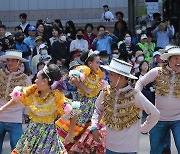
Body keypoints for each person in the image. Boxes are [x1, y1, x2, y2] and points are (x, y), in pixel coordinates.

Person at [0, 63, 79, 154]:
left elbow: (74, 112)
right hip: (30, 136)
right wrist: (2, 109)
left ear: (44, 81)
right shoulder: (32, 92)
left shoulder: (57, 97)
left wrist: (70, 134)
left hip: (48, 138)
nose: (35, 81)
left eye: (37, 78)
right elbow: (16, 99)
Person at [90, 58, 160, 153]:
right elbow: (98, 109)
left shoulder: (135, 95)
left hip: (129, 148)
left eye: (111, 74)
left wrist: (143, 129)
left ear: (121, 77)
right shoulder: (106, 91)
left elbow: (155, 113)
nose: (108, 77)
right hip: (110, 146)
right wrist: (94, 127)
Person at [56, 50, 104, 153]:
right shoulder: (85, 69)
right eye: (97, 62)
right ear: (90, 63)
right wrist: (84, 88)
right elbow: (72, 79)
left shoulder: (97, 73)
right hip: (81, 107)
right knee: (72, 137)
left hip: (92, 109)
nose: (99, 65)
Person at [135, 46, 180, 154]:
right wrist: (138, 97)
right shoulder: (157, 71)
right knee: (156, 151)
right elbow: (140, 83)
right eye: (176, 58)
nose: (179, 62)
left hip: (178, 119)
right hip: (158, 119)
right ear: (169, 60)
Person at [0, 50, 31, 154]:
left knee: (17, 149)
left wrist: (26, 114)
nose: (10, 63)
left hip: (15, 118)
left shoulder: (25, 79)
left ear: (19, 62)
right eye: (8, 60)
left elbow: (29, 98)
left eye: (13, 61)